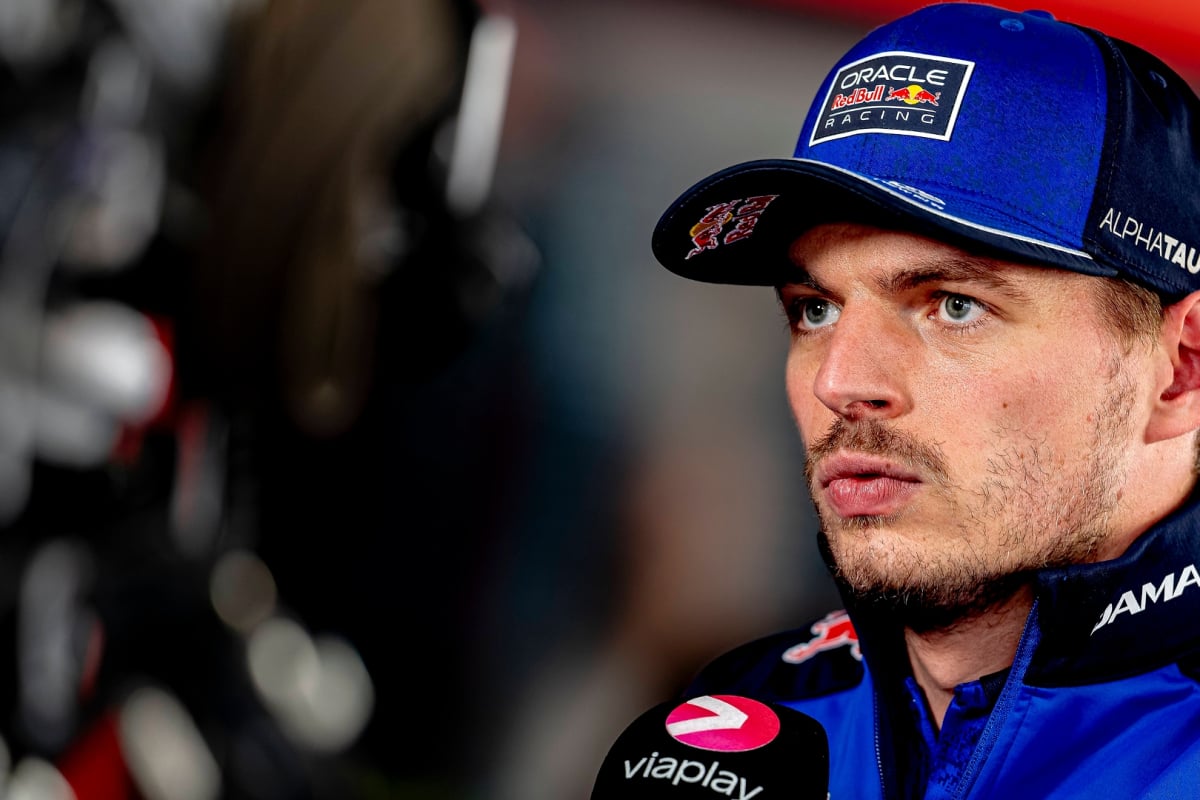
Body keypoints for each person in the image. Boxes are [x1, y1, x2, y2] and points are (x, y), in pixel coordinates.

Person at [648, 3, 1200, 798]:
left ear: (1182, 368)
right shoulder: (739, 724)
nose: (840, 382)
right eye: (815, 308)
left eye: (953, 305)